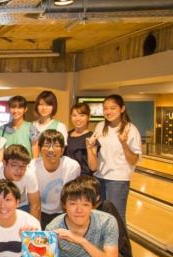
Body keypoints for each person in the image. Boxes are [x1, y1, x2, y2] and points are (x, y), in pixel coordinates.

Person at [88, 94, 141, 224]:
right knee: (98, 217)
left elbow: (134, 160)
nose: (108, 111)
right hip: (99, 177)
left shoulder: (130, 129)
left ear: (122, 109)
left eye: (112, 108)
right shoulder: (100, 126)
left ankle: (121, 239)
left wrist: (124, 143)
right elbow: (96, 151)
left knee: (116, 219)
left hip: (118, 180)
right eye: (105, 108)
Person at [29, 130, 80, 229]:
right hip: (40, 211)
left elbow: (70, 197)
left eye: (56, 146)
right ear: (39, 149)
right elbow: (34, 203)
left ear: (62, 150)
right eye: (46, 145)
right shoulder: (32, 167)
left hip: (63, 212)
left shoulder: (72, 166)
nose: (51, 150)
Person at [0, 145, 41, 221]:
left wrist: (32, 227)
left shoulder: (29, 174)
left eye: (23, 166)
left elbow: (35, 205)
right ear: (4, 163)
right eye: (14, 165)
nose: (19, 170)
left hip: (21, 206)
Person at [65, 102, 98, 177]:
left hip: (84, 180)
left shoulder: (91, 137)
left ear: (88, 117)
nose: (78, 119)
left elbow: (93, 167)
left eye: (82, 115)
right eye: (74, 115)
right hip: (67, 178)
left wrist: (89, 148)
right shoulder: (66, 135)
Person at [32, 90, 68, 158]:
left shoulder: (60, 126)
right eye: (41, 104)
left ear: (53, 107)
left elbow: (61, 151)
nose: (44, 108)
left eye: (48, 105)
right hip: (33, 163)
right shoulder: (32, 125)